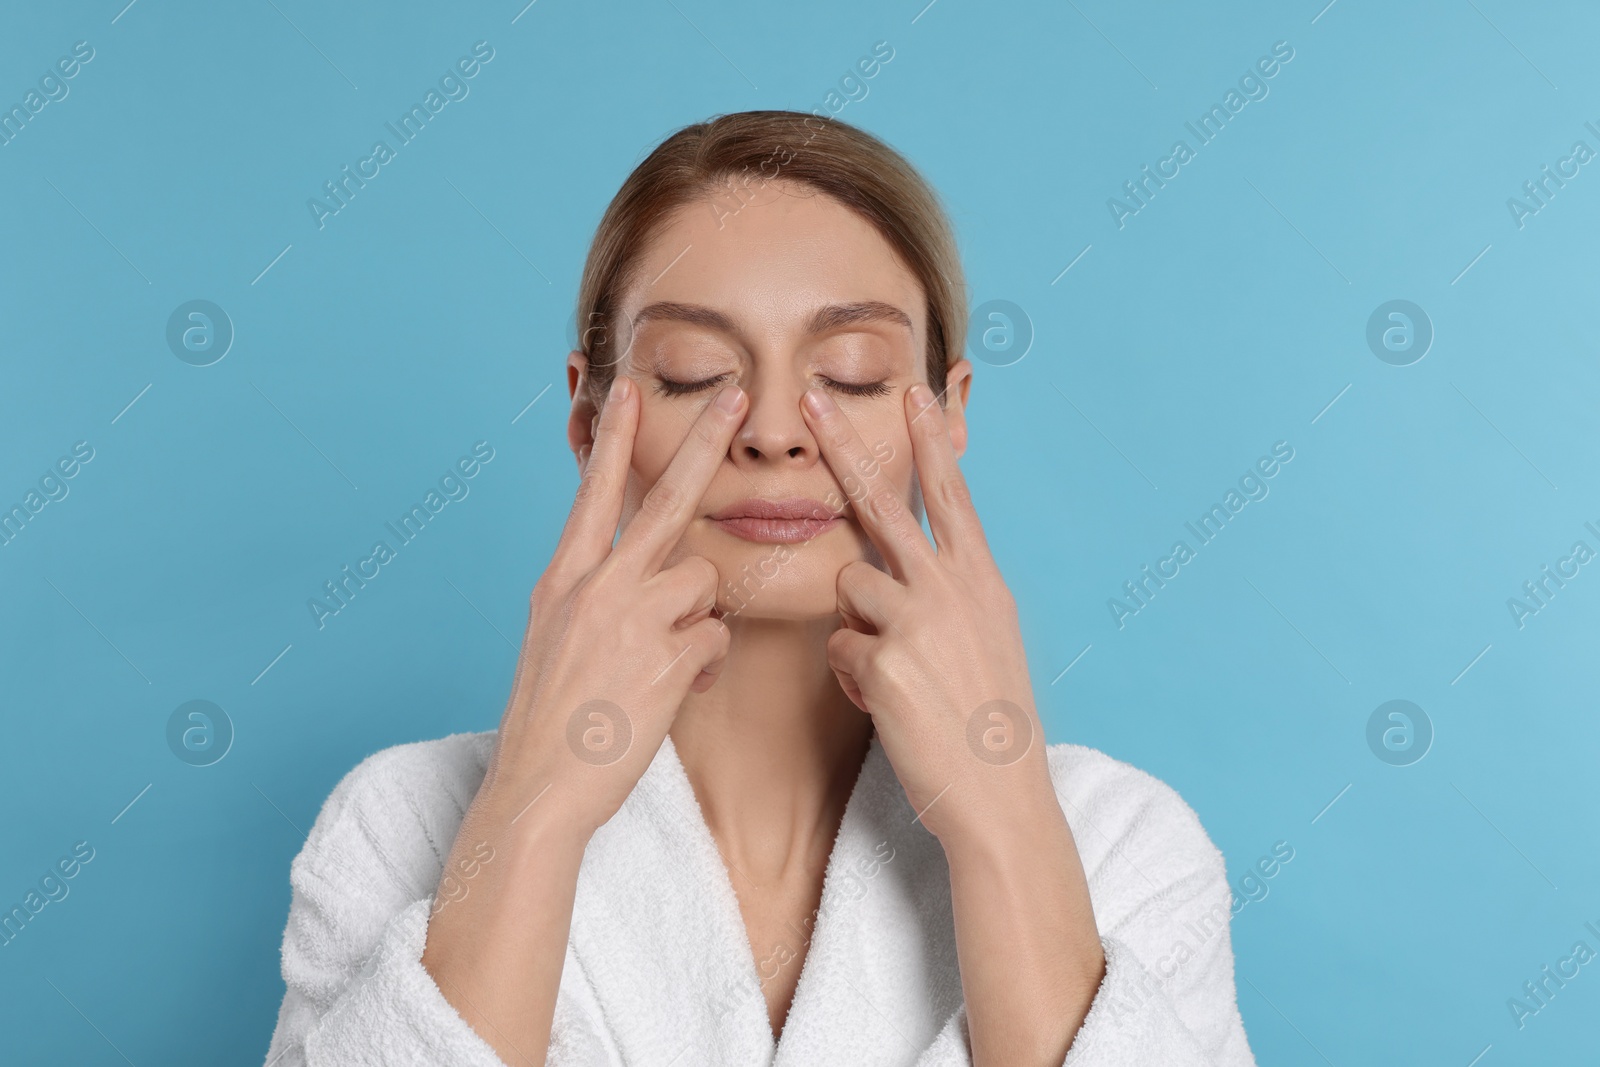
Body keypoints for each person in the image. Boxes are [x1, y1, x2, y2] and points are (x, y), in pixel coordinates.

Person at [263, 109, 1258, 1067]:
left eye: (855, 374)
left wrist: (1004, 820)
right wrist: (533, 806)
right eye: (696, 373)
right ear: (586, 418)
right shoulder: (402, 824)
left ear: (948, 416)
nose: (775, 428)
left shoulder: (1122, 843)